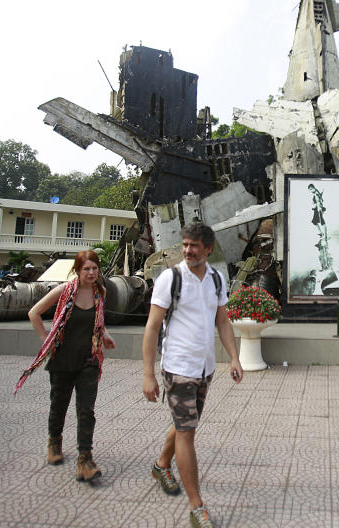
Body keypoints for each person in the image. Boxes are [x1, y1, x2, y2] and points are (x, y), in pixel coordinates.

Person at [142, 222, 243, 528]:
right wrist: (148, 374)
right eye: (185, 244)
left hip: (205, 368)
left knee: (186, 423)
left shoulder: (216, 278)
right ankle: (196, 506)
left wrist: (234, 358)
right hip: (178, 367)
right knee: (187, 433)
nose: (187, 250)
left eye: (194, 246)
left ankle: (161, 465)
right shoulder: (170, 279)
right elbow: (151, 327)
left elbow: (222, 321)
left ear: (208, 249)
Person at [15, 250, 115, 483]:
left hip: (89, 359)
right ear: (77, 271)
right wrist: (45, 339)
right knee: (59, 405)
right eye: (86, 269)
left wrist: (106, 335)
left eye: (94, 269)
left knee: (86, 411)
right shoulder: (65, 291)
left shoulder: (101, 293)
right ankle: (54, 441)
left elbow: (98, 322)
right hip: (62, 359)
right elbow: (34, 313)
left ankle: (85, 459)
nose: (91, 273)